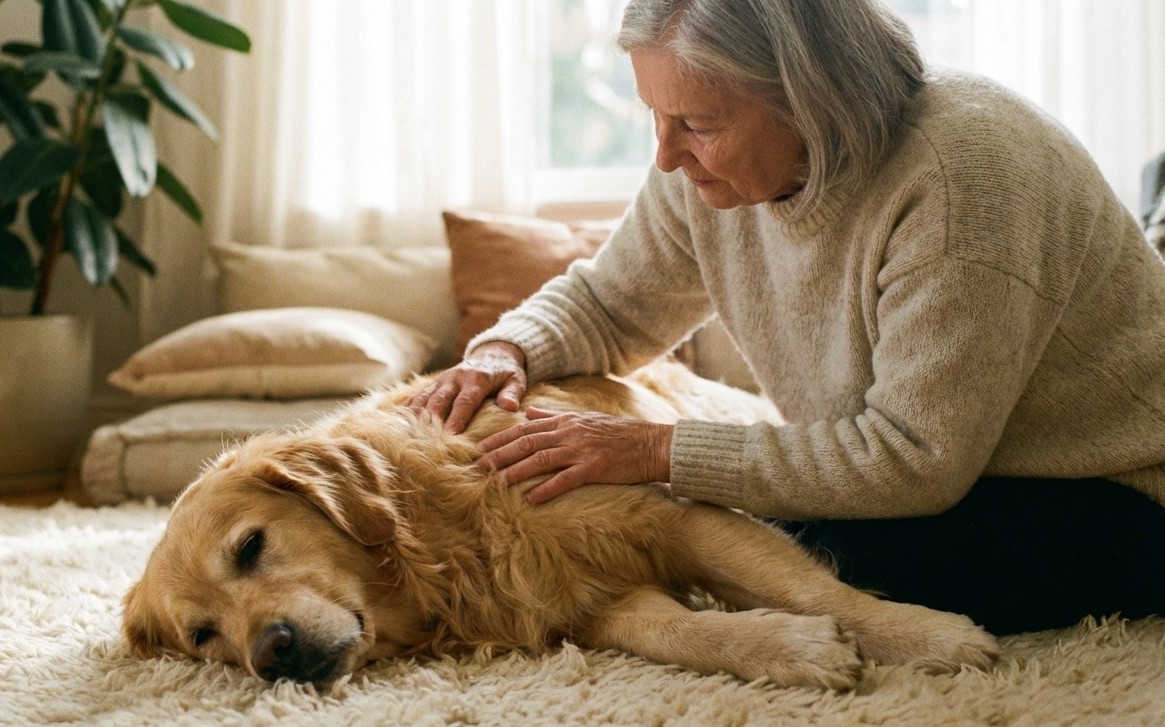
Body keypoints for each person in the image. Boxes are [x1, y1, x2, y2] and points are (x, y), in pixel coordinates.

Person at [409, 0, 1165, 636]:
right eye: (655, 116)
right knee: (762, 538)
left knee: (815, 558)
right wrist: (505, 351)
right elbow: (612, 304)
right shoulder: (701, 174)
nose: (666, 156)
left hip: (1116, 483)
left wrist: (655, 450)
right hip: (959, 468)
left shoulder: (963, 175)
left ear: (810, 96)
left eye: (696, 123)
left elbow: (911, 458)